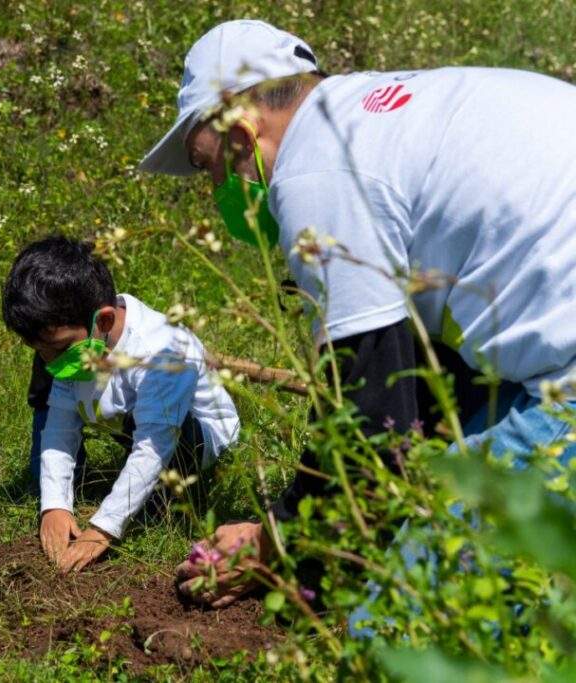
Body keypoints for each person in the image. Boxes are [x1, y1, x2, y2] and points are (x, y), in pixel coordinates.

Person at [139, 19, 576, 606]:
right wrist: (292, 530)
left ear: (242, 135)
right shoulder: (378, 118)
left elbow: (371, 422)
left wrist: (277, 549)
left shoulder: (315, 172)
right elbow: (419, 385)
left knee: (398, 626)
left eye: (207, 164)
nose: (215, 184)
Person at [2, 236, 241, 573]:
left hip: (195, 435)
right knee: (59, 394)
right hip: (126, 418)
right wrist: (54, 505)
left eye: (57, 349)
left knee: (156, 482)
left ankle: (163, 498)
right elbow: (59, 426)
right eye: (38, 349)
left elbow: (152, 447)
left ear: (103, 322)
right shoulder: (81, 346)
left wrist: (103, 528)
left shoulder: (161, 352)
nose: (48, 361)